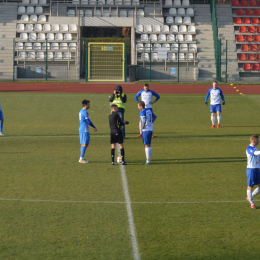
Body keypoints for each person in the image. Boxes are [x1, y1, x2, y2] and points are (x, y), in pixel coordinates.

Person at [246, 135, 260, 209]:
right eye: (258, 140)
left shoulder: (255, 147)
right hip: (251, 169)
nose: (259, 141)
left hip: (257, 169)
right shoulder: (249, 148)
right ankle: (252, 203)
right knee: (250, 187)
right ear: (254, 141)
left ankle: (250, 197)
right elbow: (255, 153)